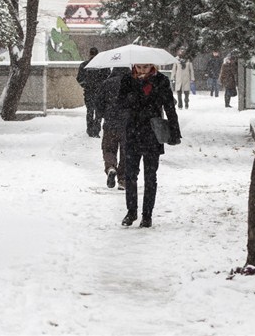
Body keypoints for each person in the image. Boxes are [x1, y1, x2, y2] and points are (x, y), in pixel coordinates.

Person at [118, 63, 181, 228]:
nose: (141, 70)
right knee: (130, 175)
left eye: (145, 67)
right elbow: (119, 104)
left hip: (152, 133)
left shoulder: (161, 81)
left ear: (152, 66)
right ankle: (131, 212)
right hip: (132, 132)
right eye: (138, 67)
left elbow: (169, 107)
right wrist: (130, 99)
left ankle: (147, 215)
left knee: (150, 177)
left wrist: (175, 132)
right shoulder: (127, 80)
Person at [95, 67, 130, 190]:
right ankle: (123, 179)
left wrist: (102, 116)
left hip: (110, 123)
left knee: (109, 149)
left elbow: (98, 103)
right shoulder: (132, 83)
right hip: (128, 125)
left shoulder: (106, 83)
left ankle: (110, 167)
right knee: (127, 152)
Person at [77, 47, 110, 137]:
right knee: (98, 112)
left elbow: (79, 79)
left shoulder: (84, 65)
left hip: (89, 92)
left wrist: (86, 86)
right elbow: (108, 78)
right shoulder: (103, 66)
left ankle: (89, 129)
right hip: (100, 93)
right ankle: (96, 130)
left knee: (90, 111)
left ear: (89, 54)